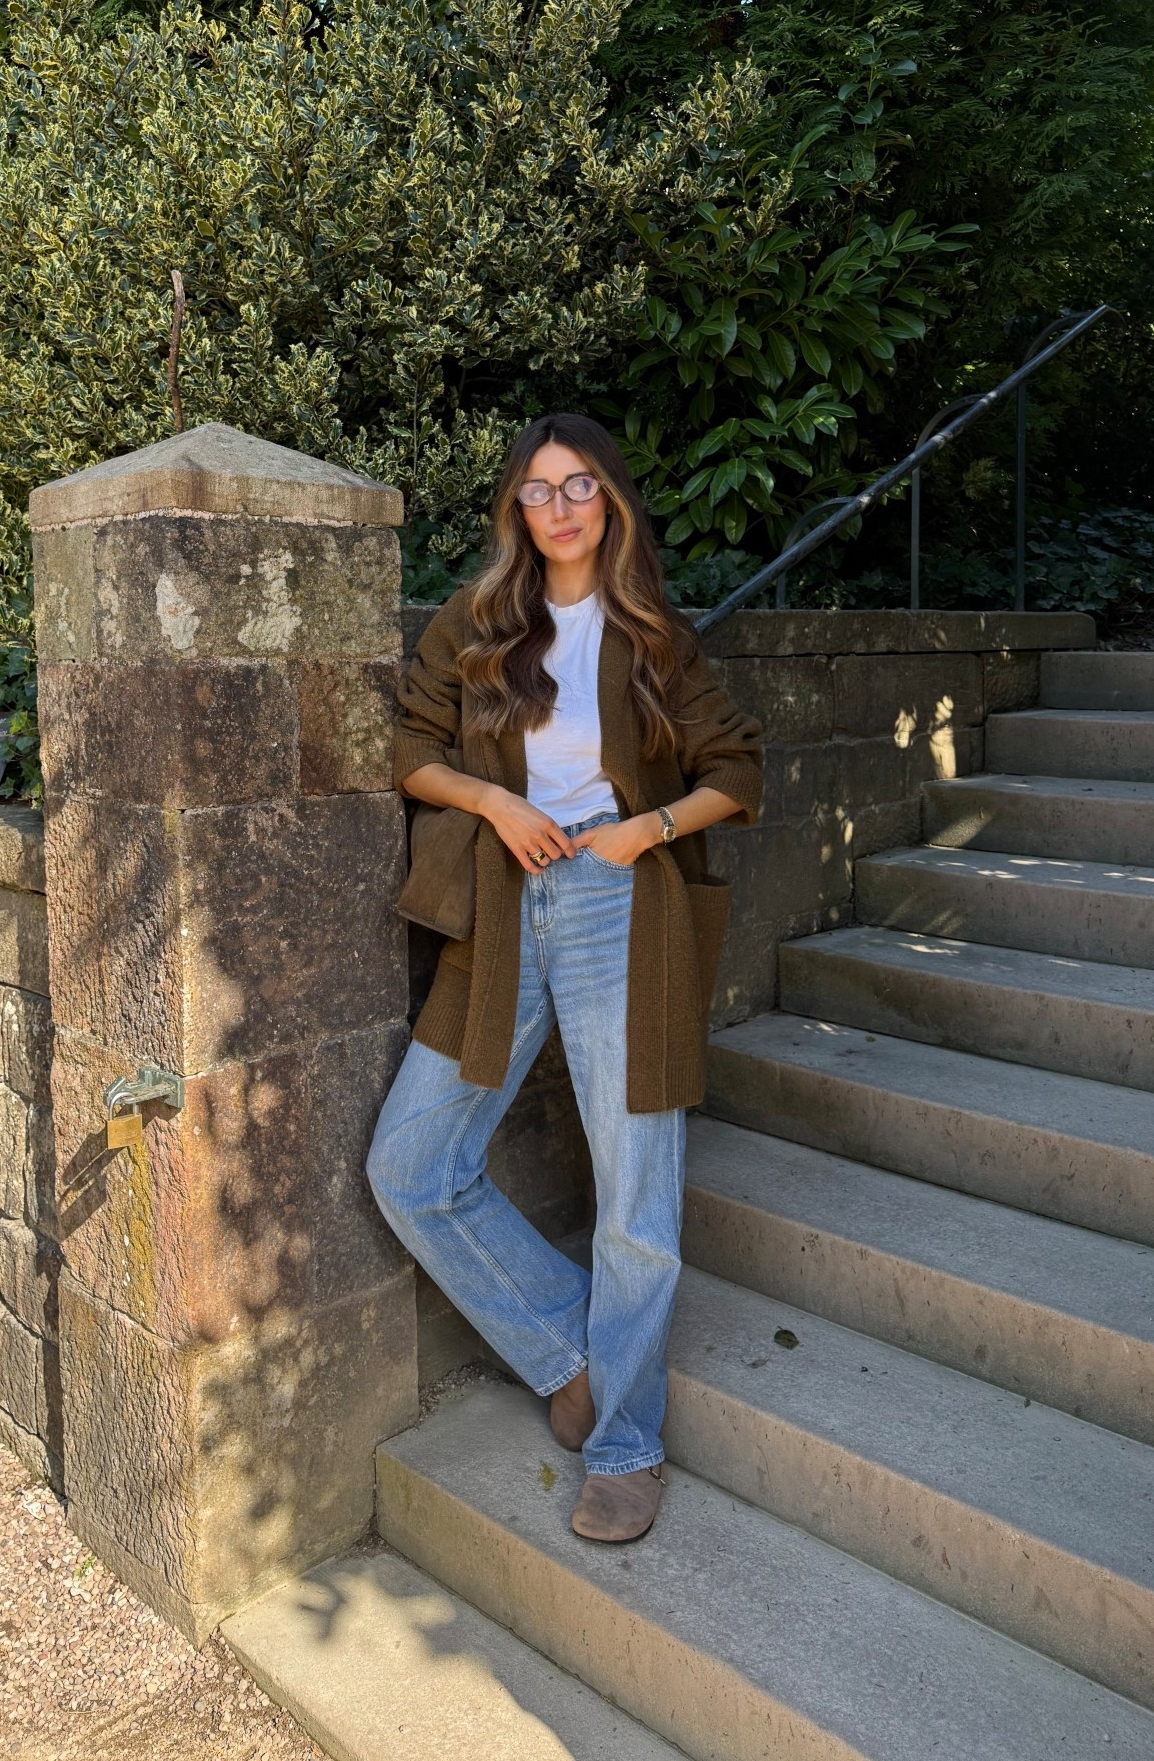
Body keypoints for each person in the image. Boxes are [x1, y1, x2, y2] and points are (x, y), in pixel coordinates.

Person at [367, 413, 763, 1544]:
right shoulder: (483, 623)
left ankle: (629, 1442)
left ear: (611, 501)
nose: (560, 506)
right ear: (517, 511)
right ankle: (567, 1352)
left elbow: (738, 764)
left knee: (635, 1194)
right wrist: (493, 800)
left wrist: (646, 828)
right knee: (412, 1163)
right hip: (501, 908)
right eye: (538, 489)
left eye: (579, 484)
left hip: (619, 907)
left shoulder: (653, 637)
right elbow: (410, 749)